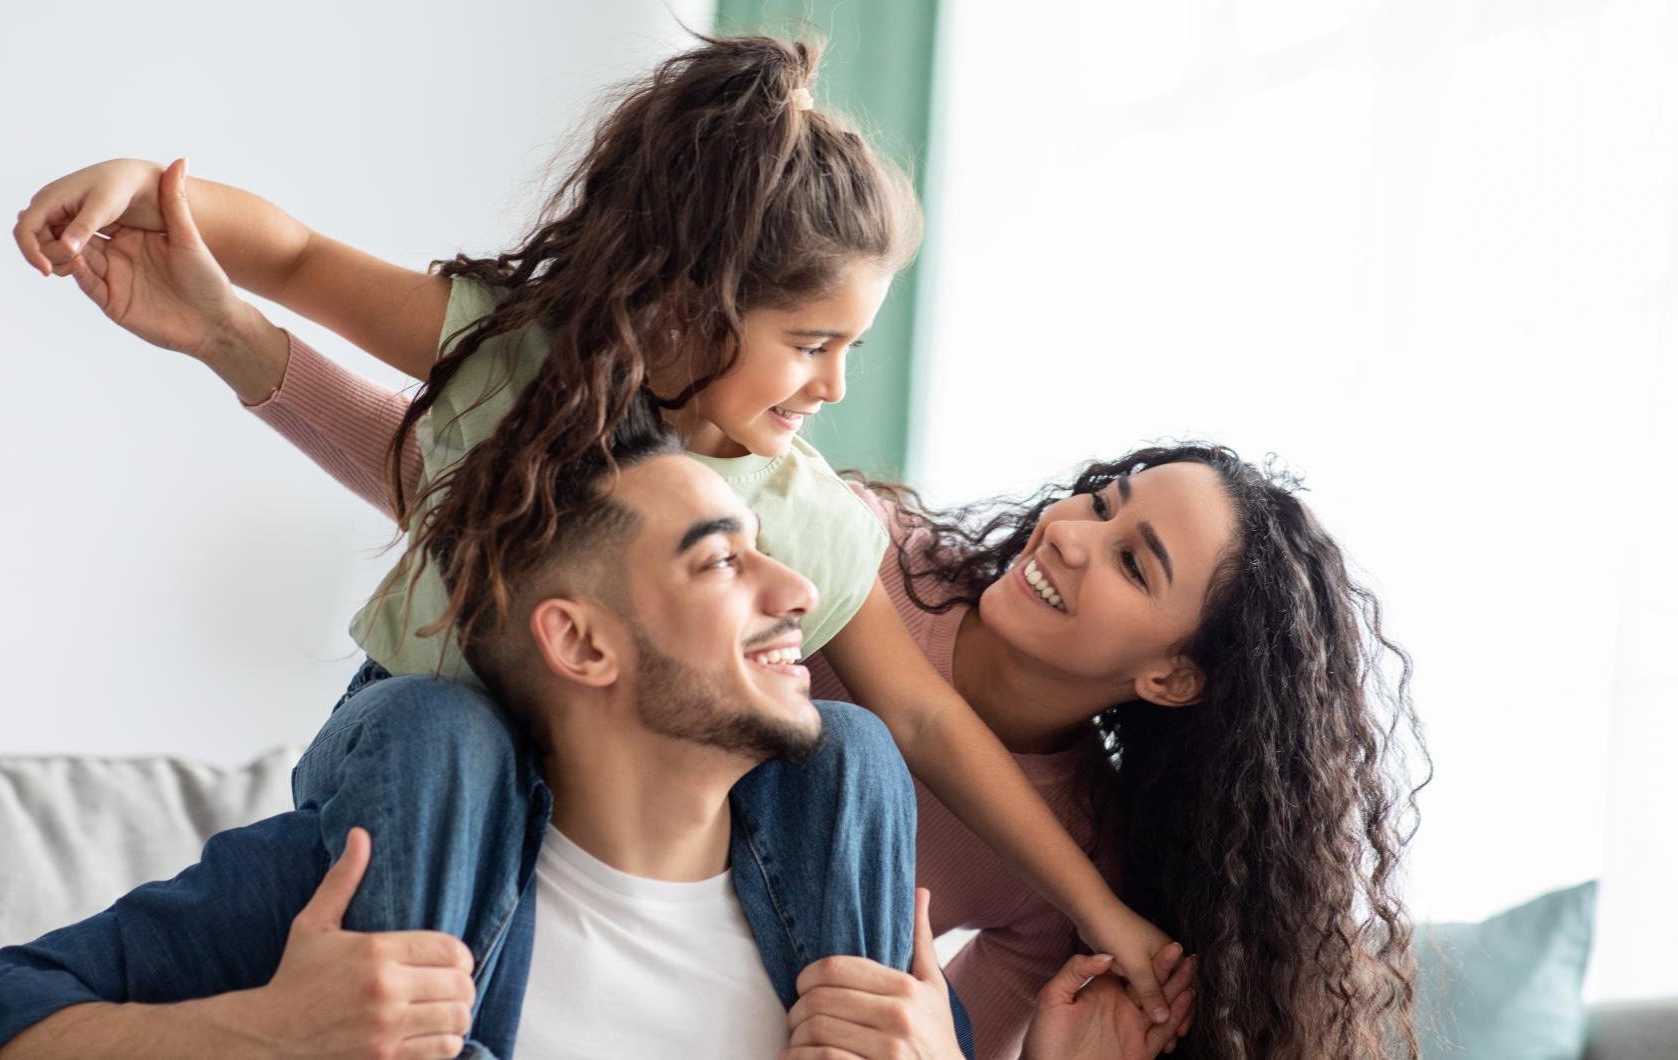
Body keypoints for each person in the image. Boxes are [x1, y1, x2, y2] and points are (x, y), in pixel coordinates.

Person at [11, 33, 1183, 1018]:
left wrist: (1104, 912)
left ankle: (837, 1036)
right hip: (425, 752)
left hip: (636, 807)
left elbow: (922, 718)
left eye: (853, 351)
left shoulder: (807, 516)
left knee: (856, 747)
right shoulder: (526, 361)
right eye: (811, 345)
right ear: (690, 303)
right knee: (443, 728)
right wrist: (143, 189)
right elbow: (305, 257)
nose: (832, 387)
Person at [161, 324, 1426, 1059]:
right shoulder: (849, 546)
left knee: (853, 757)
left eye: (1132, 557)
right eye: (1101, 498)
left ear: (1171, 672)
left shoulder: (1066, 858)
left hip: (678, 1003)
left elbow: (909, 1029)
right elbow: (522, 512)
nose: (1072, 535)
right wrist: (239, 343)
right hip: (507, 858)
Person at [0, 414, 1161, 1059]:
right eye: (724, 563)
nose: (797, 599)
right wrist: (256, 1036)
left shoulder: (855, 944)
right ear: (583, 643)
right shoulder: (367, 893)